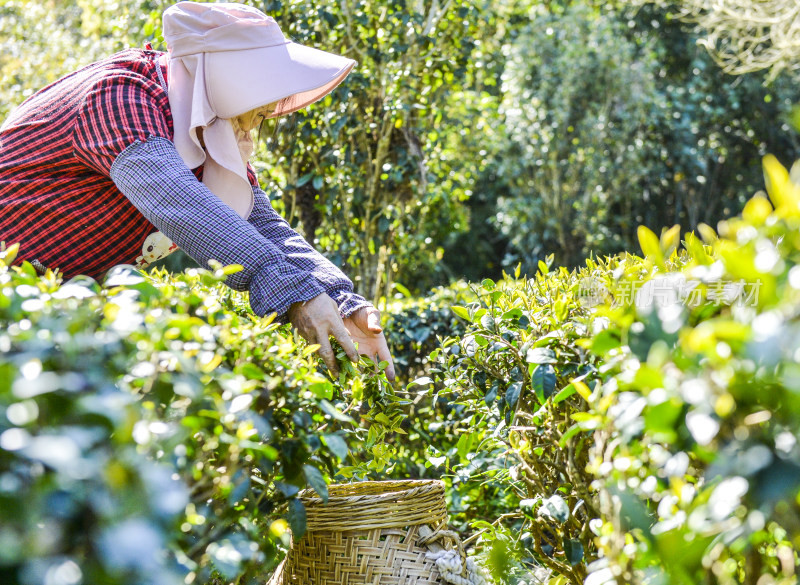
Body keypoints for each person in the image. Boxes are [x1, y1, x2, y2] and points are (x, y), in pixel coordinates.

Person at [0, 2, 395, 380]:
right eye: (257, 111)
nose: (255, 126)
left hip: (40, 310)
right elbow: (184, 207)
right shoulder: (119, 96)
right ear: (229, 83)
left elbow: (259, 222)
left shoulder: (201, 129)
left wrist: (341, 299)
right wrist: (297, 297)